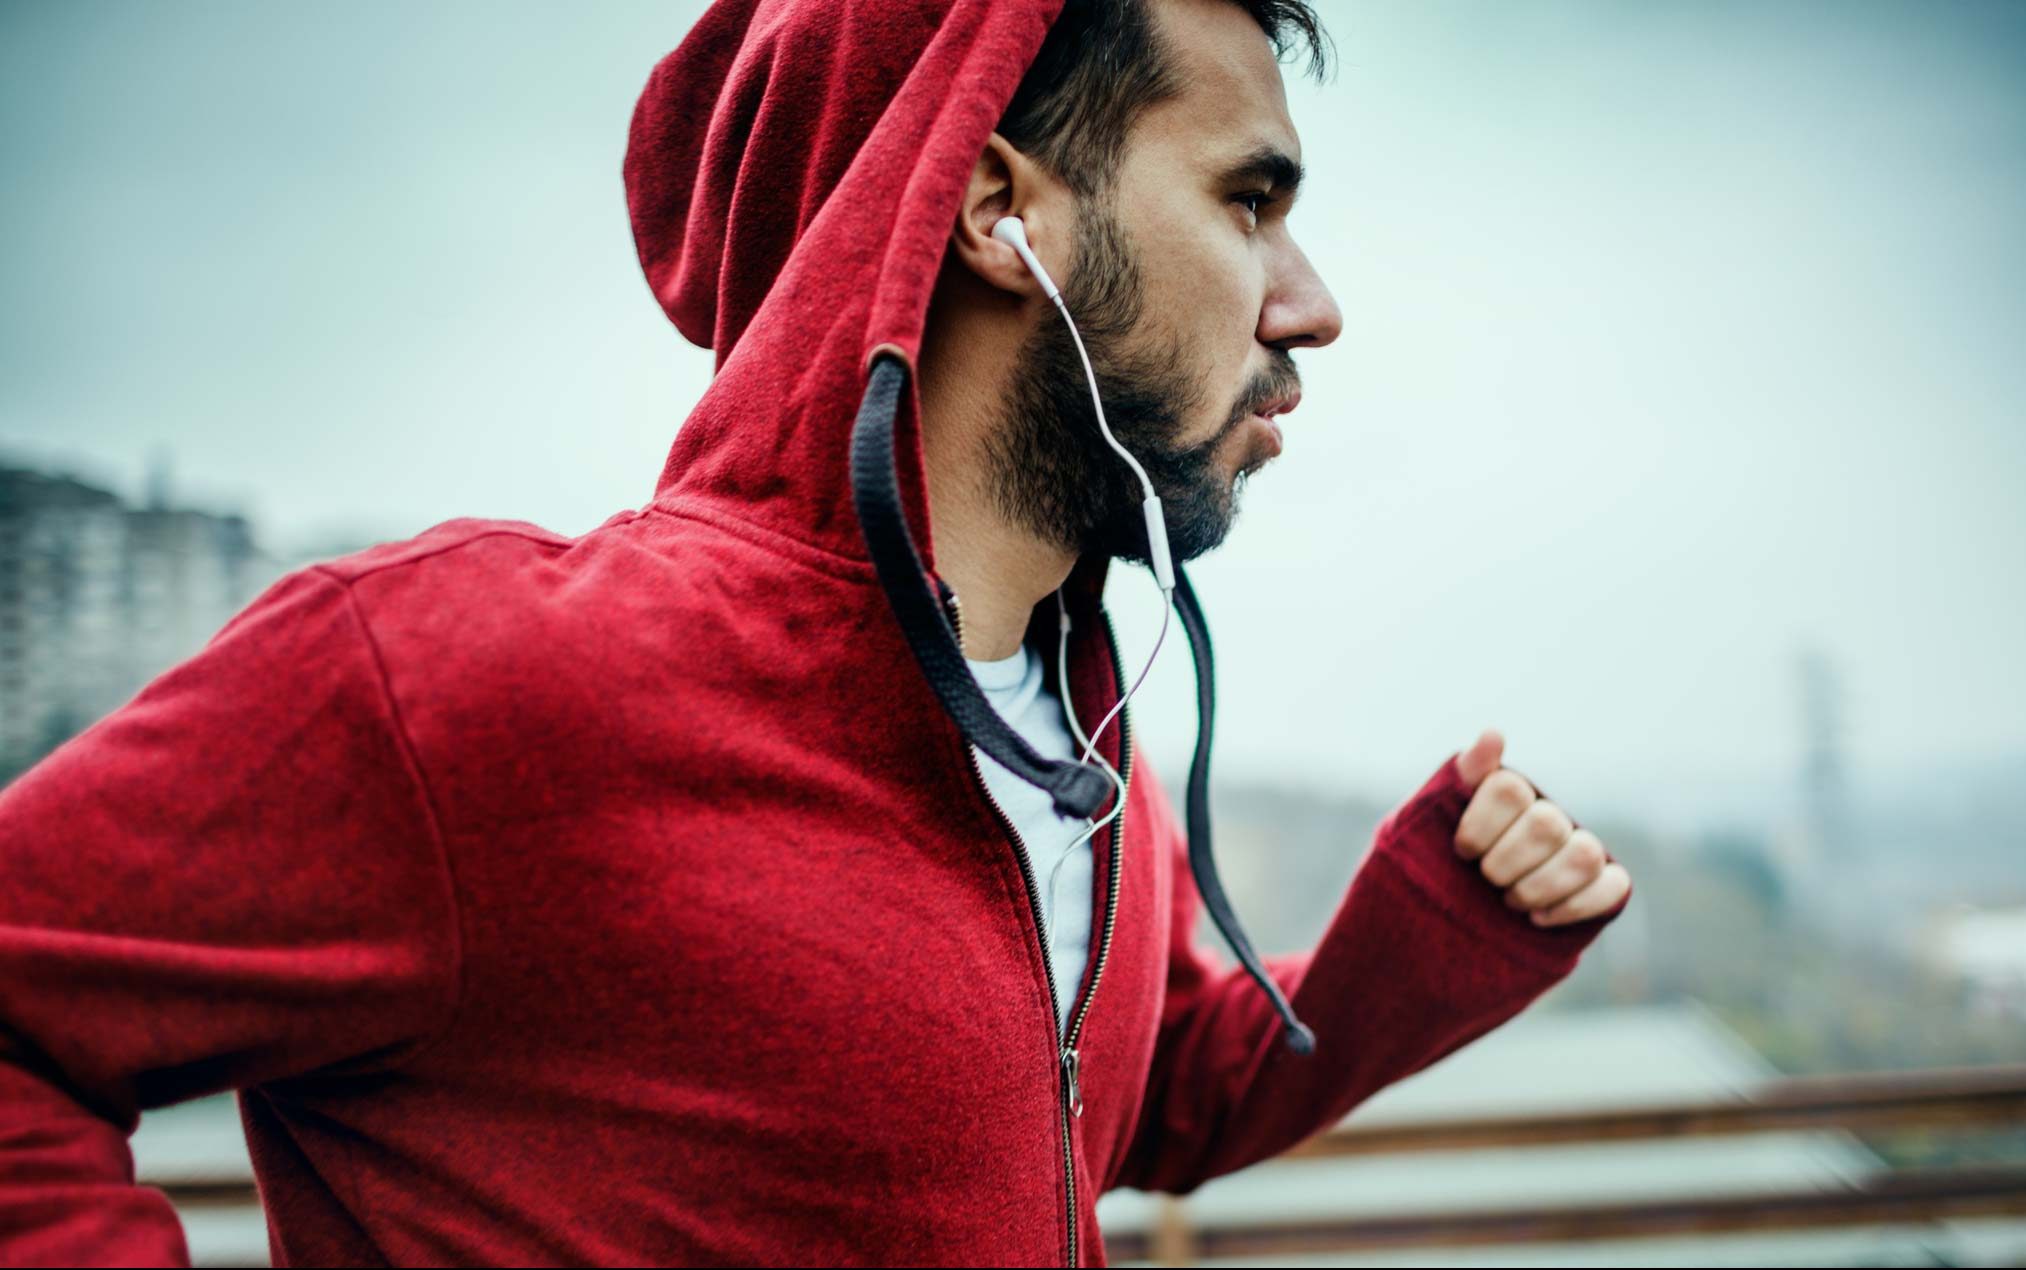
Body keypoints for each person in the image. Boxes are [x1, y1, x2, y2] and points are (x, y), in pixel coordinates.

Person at [0, 0, 1632, 1264]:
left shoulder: (1072, 730)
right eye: (1248, 196)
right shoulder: (486, 683)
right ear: (1004, 213)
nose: (1309, 301)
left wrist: (1422, 940)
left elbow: (1107, 1102)